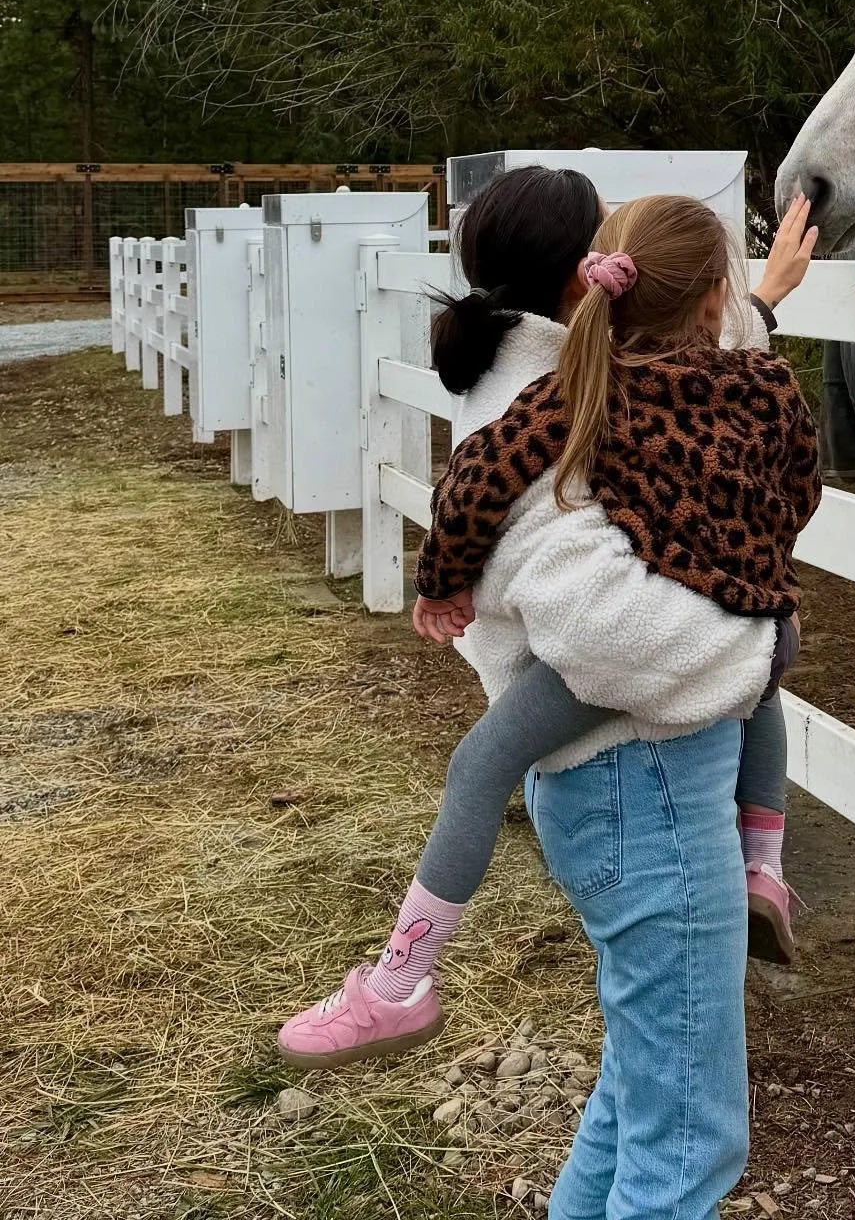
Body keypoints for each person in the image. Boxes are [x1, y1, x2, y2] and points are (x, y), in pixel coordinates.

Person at [278, 180, 819, 1116]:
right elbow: (796, 480)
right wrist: (754, 582)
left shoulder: (566, 389)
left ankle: (402, 979)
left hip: (611, 698)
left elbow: (475, 486)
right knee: (761, 672)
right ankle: (763, 858)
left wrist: (437, 578)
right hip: (675, 687)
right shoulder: (751, 386)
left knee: (480, 765)